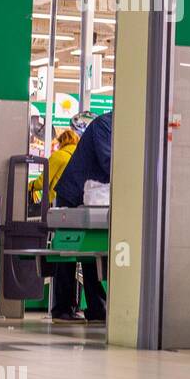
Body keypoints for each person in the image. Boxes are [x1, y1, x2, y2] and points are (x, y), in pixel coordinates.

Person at [52, 111, 112, 323]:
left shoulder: (117, 127)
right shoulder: (104, 125)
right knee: (67, 251)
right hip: (74, 192)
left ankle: (96, 308)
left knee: (91, 250)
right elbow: (109, 162)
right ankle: (62, 308)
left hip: (92, 194)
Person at [28, 127, 79, 206]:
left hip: (57, 202)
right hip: (75, 202)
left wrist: (28, 186)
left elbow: (42, 183)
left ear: (62, 141)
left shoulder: (59, 155)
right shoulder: (80, 156)